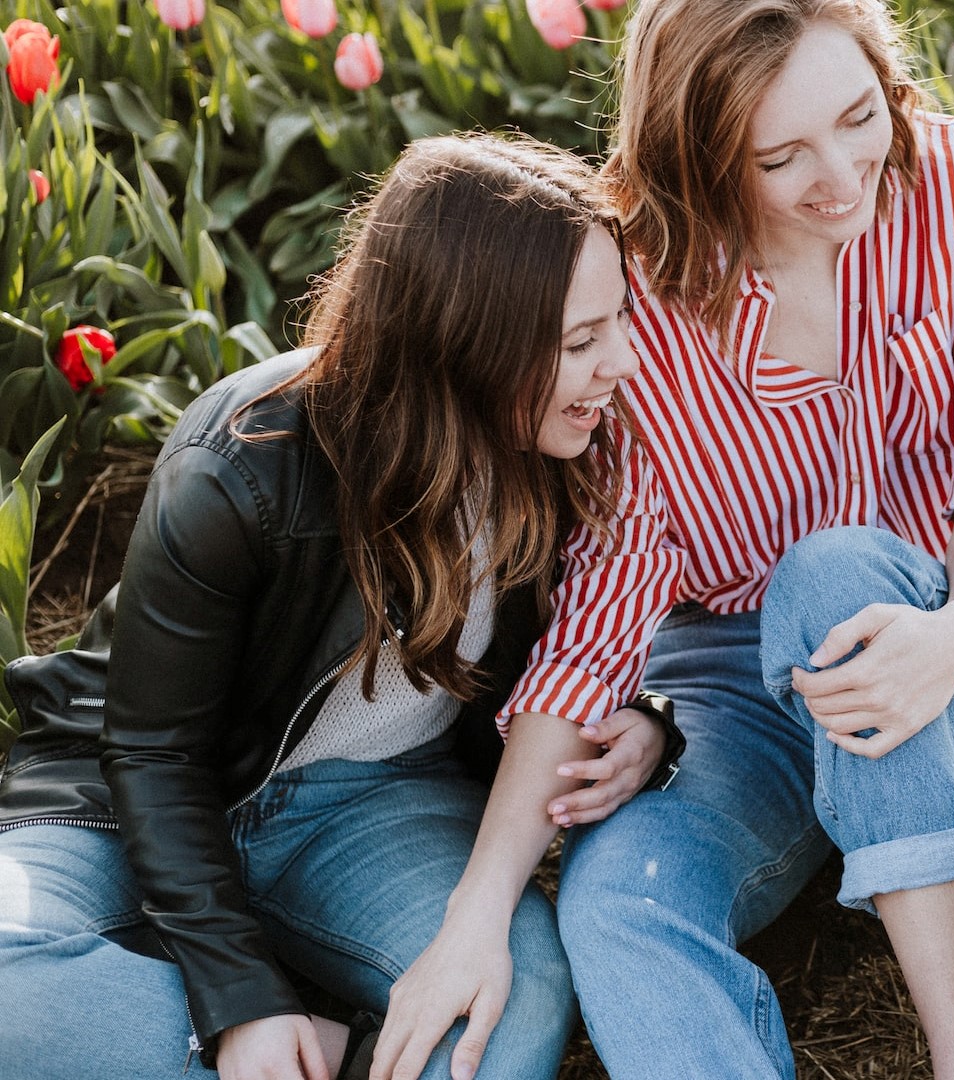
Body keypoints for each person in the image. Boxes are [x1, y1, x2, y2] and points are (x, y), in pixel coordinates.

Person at [0, 133, 677, 1080]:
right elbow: (152, 752)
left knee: (510, 1000)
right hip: (123, 794)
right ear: (461, 344)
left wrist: (641, 721)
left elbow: (592, 645)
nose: (624, 363)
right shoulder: (242, 466)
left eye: (617, 321)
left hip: (369, 804)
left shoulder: (577, 452)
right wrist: (240, 1005)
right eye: (580, 341)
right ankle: (317, 1055)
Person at [499, 1, 954, 1076]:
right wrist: (487, 904)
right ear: (696, 156)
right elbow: (611, 588)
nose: (843, 177)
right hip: (736, 690)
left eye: (860, 116)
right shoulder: (637, 284)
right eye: (779, 156)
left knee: (833, 572)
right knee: (622, 901)